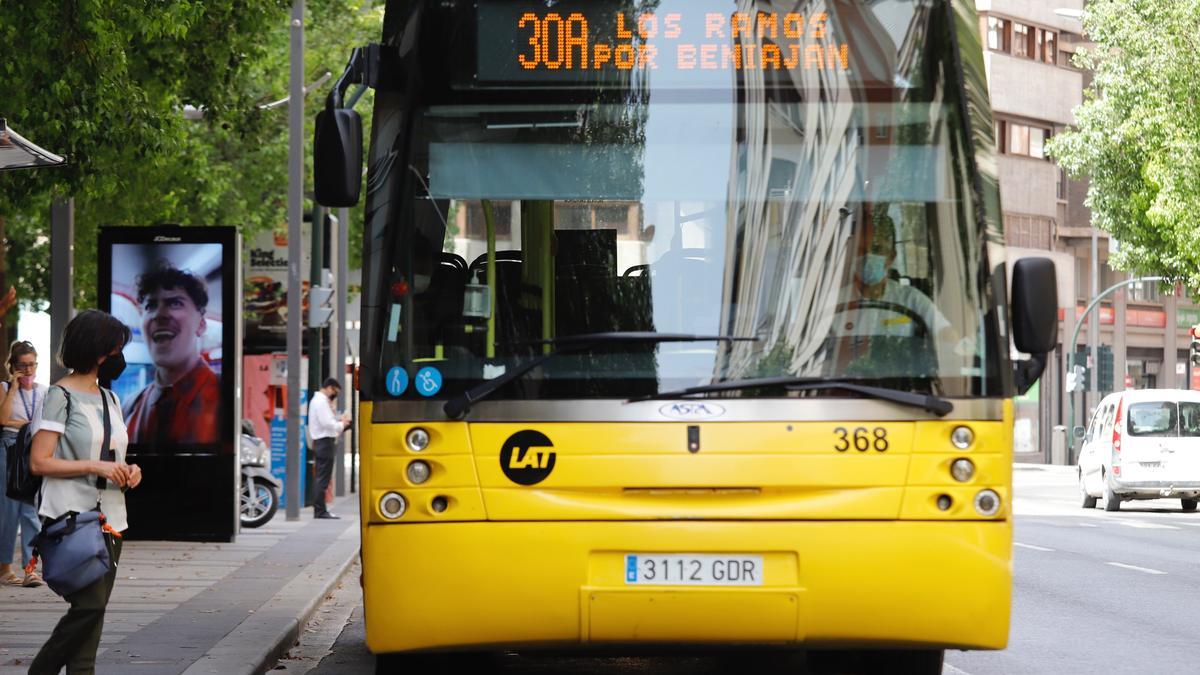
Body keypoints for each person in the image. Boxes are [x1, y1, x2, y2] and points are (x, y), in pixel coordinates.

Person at [29, 310, 142, 675]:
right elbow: (40, 462)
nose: (119, 357)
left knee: (93, 622)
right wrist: (96, 467)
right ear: (97, 351)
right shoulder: (59, 396)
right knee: (89, 607)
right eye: (115, 349)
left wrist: (130, 470)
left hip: (112, 518)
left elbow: (113, 455)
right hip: (72, 517)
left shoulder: (110, 398)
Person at [123, 262, 220, 446]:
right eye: (150, 305)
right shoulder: (129, 407)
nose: (160, 314)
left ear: (201, 325)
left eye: (175, 303)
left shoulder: (226, 396)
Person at [0, 340, 46, 587]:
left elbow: (42, 424)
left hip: (31, 448)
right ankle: (4, 567)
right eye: (23, 366)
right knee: (7, 510)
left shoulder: (44, 391)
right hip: (8, 448)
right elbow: (3, 418)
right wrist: (13, 389)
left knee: (30, 509)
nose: (28, 371)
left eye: (32, 365)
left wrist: (24, 426)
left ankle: (30, 568)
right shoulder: (5, 388)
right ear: (13, 367)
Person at [308, 377, 350, 520]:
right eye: (335, 392)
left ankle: (320, 509)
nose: (334, 395)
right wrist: (342, 424)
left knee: (322, 477)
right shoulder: (320, 402)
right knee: (323, 478)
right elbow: (328, 424)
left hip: (322, 441)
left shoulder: (320, 401)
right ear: (329, 388)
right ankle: (320, 510)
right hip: (324, 442)